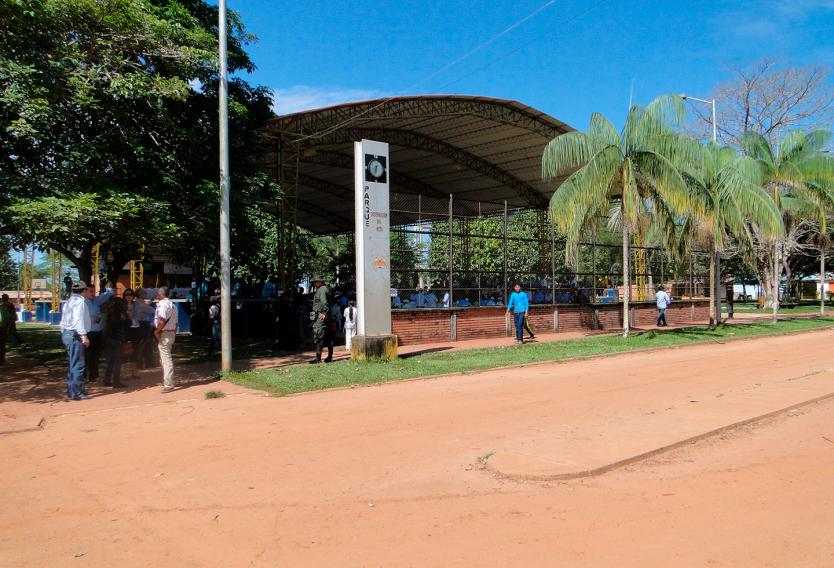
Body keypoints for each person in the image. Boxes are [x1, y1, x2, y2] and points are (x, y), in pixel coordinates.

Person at [60, 282, 93, 400]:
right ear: (84, 290)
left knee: (72, 363)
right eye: (87, 290)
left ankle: (72, 390)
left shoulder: (69, 301)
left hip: (67, 333)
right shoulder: (80, 302)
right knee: (78, 364)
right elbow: (78, 319)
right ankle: (77, 392)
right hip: (75, 334)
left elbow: (63, 319)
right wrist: (83, 335)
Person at [84, 284, 114, 383]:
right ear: (85, 292)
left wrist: (109, 286)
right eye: (90, 291)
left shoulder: (96, 300)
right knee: (87, 355)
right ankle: (84, 376)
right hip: (88, 332)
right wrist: (94, 319)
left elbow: (109, 293)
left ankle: (93, 376)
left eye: (94, 291)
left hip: (97, 332)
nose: (92, 293)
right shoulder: (83, 303)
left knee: (96, 355)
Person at [153, 286, 178, 392]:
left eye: (157, 293)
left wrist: (157, 331)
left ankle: (168, 384)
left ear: (160, 294)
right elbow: (175, 323)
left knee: (166, 360)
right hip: (171, 333)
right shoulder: (173, 305)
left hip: (164, 333)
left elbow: (162, 320)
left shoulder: (163, 304)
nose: (156, 295)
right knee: (165, 358)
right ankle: (169, 380)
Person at [102, 297, 128, 387]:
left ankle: (107, 379)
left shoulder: (108, 314)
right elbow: (126, 324)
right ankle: (116, 381)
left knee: (110, 361)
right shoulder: (120, 315)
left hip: (108, 339)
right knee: (117, 361)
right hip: (117, 339)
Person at [309, 276, 334, 363]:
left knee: (318, 335)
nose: (314, 283)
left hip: (321, 316)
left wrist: (324, 313)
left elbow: (324, 302)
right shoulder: (324, 289)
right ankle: (329, 357)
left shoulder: (322, 290)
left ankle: (318, 358)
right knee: (327, 336)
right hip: (321, 315)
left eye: (315, 282)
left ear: (320, 282)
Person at [133, 289, 156, 368]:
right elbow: (152, 310)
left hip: (141, 324)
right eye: (144, 293)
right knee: (145, 344)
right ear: (140, 295)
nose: (146, 294)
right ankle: (146, 363)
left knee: (142, 344)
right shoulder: (140, 303)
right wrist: (150, 305)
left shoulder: (139, 302)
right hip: (143, 324)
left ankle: (143, 363)